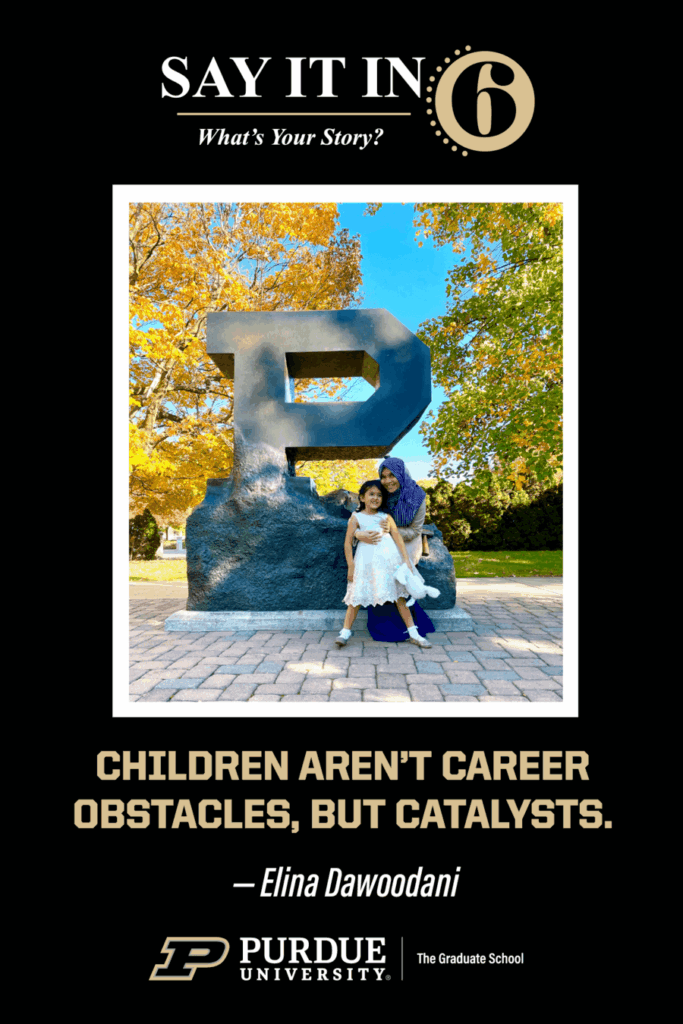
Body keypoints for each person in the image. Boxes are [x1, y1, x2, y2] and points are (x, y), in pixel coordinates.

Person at [335, 480, 432, 649]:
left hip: (389, 562)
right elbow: (347, 543)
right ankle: (345, 632)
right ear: (362, 498)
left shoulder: (386, 517)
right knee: (356, 598)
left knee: (399, 598)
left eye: (379, 495)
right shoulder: (356, 517)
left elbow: (398, 539)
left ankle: (414, 634)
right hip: (365, 563)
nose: (375, 498)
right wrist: (351, 566)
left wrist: (406, 562)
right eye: (371, 494)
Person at [352, 457, 435, 643]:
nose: (388, 480)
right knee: (377, 571)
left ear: (401, 474)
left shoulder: (417, 497)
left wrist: (390, 531)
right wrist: (358, 534)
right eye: (384, 476)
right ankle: (384, 627)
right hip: (379, 540)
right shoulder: (379, 493)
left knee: (400, 574)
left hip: (407, 540)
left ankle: (411, 627)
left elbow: (415, 530)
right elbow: (361, 516)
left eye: (392, 475)